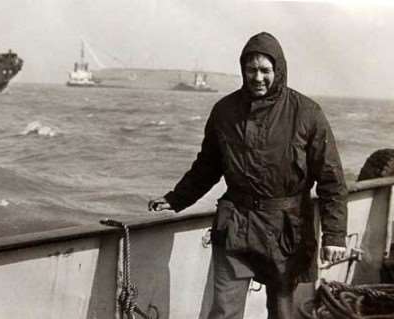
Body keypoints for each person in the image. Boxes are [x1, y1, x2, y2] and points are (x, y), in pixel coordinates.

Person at [148, 32, 347, 319]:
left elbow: (332, 180)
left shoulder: (307, 113)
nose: (258, 77)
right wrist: (176, 199)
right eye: (250, 69)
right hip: (237, 224)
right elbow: (207, 166)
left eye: (265, 70)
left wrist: (335, 236)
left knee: (283, 311)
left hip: (287, 228)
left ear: (278, 71)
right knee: (224, 310)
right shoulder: (224, 111)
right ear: (242, 70)